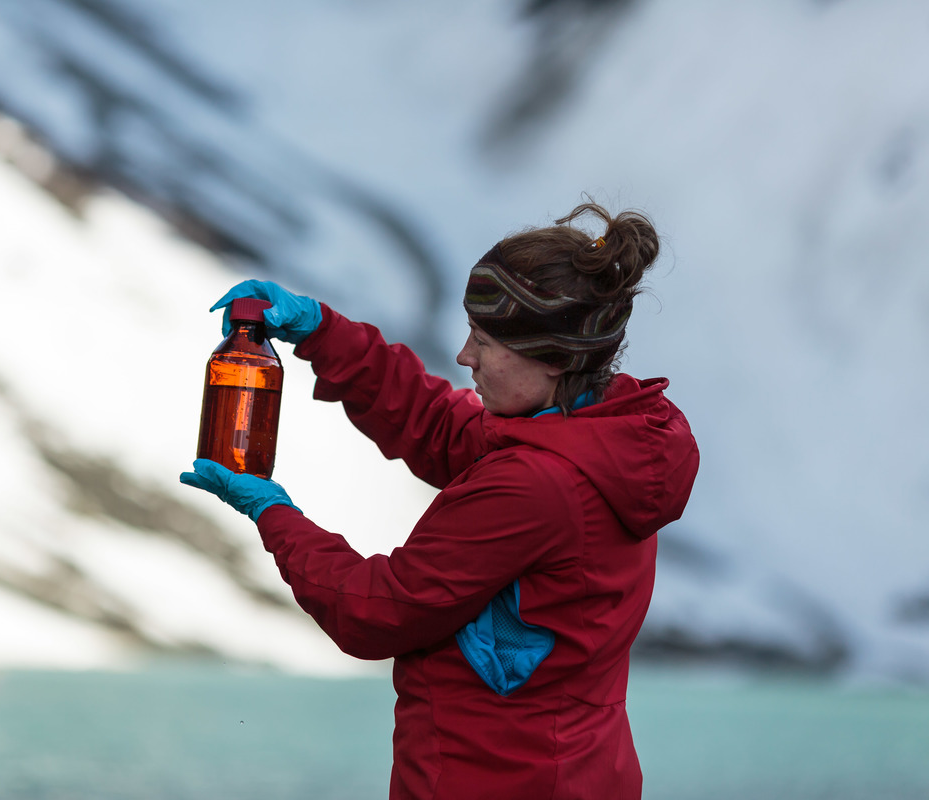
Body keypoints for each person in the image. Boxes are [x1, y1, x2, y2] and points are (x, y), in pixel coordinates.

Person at [181, 201, 699, 799]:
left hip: (493, 781)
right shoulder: (600, 434)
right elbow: (439, 424)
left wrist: (272, 514)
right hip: (575, 773)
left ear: (553, 356)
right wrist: (322, 331)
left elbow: (378, 611)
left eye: (484, 340)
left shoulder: (536, 484)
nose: (464, 357)